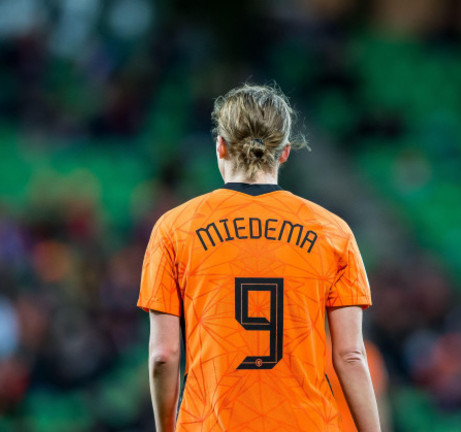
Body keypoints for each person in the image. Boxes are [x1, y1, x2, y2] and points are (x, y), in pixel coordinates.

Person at [137, 84, 381, 431]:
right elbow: (351, 356)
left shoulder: (174, 228)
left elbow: (164, 355)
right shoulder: (332, 231)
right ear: (284, 152)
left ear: (220, 146)